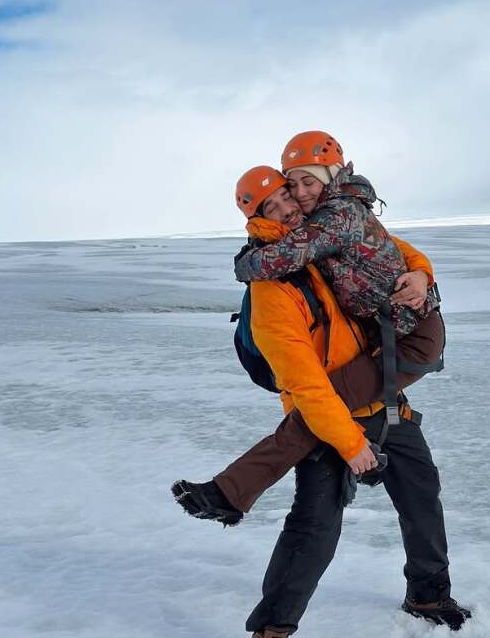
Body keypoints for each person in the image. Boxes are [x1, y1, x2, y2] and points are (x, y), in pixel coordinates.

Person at [177, 145, 470, 638]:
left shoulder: (325, 229)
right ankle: (268, 637)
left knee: (422, 496)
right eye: (272, 203)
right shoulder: (271, 291)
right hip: (327, 418)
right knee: (314, 529)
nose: (287, 206)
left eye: (289, 192)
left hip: (385, 401)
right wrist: (350, 444)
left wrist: (419, 273)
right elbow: (308, 385)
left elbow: (395, 247)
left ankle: (428, 595)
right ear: (255, 216)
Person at [173, 135, 445, 522]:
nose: (296, 198)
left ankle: (227, 493)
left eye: (305, 184)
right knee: (324, 438)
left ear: (330, 175)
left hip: (412, 336)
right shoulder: (326, 219)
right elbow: (392, 246)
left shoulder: (334, 220)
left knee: (315, 409)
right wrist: (420, 270)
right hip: (391, 339)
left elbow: (285, 255)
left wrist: (244, 264)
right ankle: (231, 492)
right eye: (290, 186)